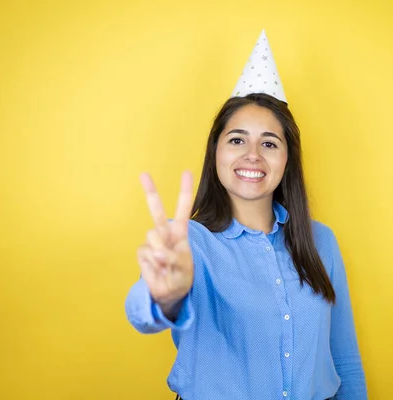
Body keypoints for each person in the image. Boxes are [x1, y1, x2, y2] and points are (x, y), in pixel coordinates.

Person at [125, 31, 367, 400]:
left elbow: (344, 359)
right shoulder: (186, 242)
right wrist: (164, 297)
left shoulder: (322, 242)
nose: (253, 154)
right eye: (237, 139)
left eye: (269, 143)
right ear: (216, 152)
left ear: (287, 159)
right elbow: (143, 312)